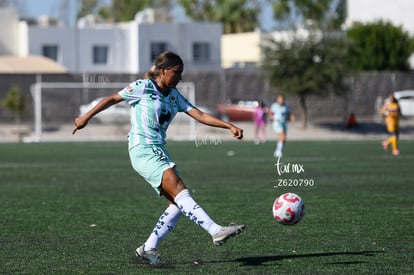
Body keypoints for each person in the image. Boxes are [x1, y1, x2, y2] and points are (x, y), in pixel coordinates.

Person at [72, 51, 245, 266]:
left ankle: (147, 248)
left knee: (177, 203)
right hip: (142, 148)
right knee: (180, 189)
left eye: (181, 73)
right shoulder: (142, 87)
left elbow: (199, 114)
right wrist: (85, 117)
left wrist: (228, 125)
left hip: (159, 150)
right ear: (162, 71)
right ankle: (215, 230)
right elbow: (111, 99)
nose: (180, 78)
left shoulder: (174, 95)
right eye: (176, 72)